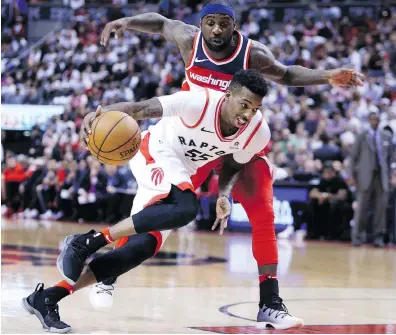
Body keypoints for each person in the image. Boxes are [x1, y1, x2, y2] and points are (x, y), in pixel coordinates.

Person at [84, 0, 364, 328]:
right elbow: (160, 23)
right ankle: (109, 270)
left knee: (263, 211)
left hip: (236, 140)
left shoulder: (252, 53)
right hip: (193, 140)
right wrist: (128, 20)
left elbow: (286, 75)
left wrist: (328, 76)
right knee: (159, 214)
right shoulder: (189, 40)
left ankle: (270, 302)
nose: (217, 30)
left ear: (235, 26)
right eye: (211, 23)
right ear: (202, 24)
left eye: (224, 24)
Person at [23, 69, 296, 333]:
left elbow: (232, 166)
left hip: (177, 176)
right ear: (227, 95)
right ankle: (89, 241)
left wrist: (224, 194)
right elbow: (139, 108)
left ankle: (47, 298)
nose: (248, 114)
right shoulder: (197, 103)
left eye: (255, 108)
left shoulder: (257, 132)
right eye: (244, 105)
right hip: (154, 152)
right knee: (187, 206)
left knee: (138, 249)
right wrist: (96, 117)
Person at [350, 112, 394, 247]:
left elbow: (391, 158)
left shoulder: (386, 136)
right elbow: (353, 158)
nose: (375, 121)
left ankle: (378, 237)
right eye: (373, 119)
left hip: (381, 178)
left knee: (381, 210)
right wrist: (353, 176)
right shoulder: (362, 136)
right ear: (369, 120)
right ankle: (358, 236)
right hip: (365, 177)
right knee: (362, 208)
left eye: (377, 119)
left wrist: (391, 175)